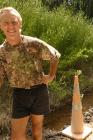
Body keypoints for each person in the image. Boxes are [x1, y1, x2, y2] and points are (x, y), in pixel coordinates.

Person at [0, 7, 61, 140]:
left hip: (39, 91)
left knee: (37, 131)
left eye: (14, 22)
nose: (10, 26)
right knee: (16, 135)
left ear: (20, 24)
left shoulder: (33, 43)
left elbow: (55, 56)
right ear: (0, 26)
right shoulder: (2, 52)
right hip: (19, 94)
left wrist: (51, 76)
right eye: (6, 22)